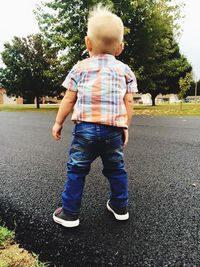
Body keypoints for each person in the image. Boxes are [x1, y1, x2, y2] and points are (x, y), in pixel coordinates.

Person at [52, 4, 138, 227]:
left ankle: (69, 213)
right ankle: (120, 207)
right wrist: (124, 126)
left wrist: (58, 122)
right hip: (113, 131)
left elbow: (69, 99)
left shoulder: (80, 68)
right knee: (116, 169)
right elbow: (128, 101)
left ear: (87, 43)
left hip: (85, 131)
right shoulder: (125, 71)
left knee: (77, 170)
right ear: (120, 48)